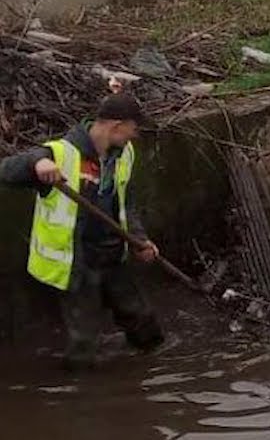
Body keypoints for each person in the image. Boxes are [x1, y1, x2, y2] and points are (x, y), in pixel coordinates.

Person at [1, 92, 164, 371]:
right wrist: (36, 164)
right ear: (116, 125)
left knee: (143, 321)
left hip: (114, 255)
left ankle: (154, 366)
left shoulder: (124, 155)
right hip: (77, 264)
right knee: (84, 341)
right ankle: (79, 396)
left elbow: (127, 202)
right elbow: (7, 169)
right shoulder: (60, 154)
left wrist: (140, 239)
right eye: (132, 130)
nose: (134, 137)